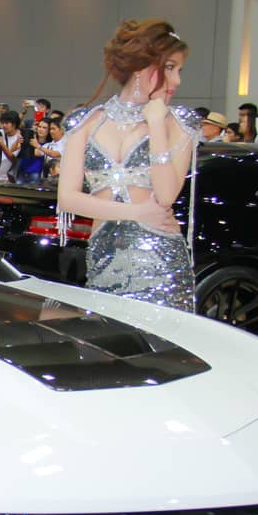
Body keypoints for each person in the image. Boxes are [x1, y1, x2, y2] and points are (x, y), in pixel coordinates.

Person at [57, 19, 201, 312]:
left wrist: (157, 122)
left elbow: (165, 196)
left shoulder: (180, 123)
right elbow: (67, 198)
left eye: (179, 70)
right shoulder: (84, 123)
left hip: (162, 265)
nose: (177, 81)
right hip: (103, 260)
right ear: (142, 66)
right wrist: (136, 212)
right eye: (170, 68)